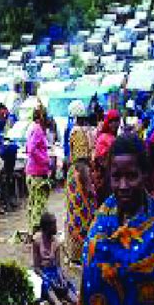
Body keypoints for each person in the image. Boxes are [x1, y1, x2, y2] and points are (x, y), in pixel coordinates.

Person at [73, 135, 154, 305]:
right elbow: (89, 286)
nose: (123, 185)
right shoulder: (100, 223)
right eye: (116, 177)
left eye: (131, 176)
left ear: (145, 174)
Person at [65, 100, 95, 264]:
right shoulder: (80, 132)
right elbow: (81, 160)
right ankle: (78, 254)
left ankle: (76, 253)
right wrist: (88, 183)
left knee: (77, 214)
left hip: (76, 175)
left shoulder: (76, 131)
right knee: (81, 214)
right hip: (79, 175)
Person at [33, 212, 78, 305]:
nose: (56, 227)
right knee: (47, 285)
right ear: (46, 227)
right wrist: (47, 278)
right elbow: (36, 267)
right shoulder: (37, 241)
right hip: (42, 272)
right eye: (53, 224)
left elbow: (58, 266)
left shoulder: (56, 242)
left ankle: (75, 301)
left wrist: (61, 278)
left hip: (53, 270)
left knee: (64, 285)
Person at [25, 107, 51, 235]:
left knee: (33, 202)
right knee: (39, 204)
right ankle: (36, 232)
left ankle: (32, 231)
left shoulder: (32, 128)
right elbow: (31, 149)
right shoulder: (38, 130)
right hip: (37, 172)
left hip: (32, 171)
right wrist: (45, 161)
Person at [92, 109, 120, 207]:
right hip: (104, 181)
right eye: (112, 121)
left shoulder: (115, 138)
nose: (115, 124)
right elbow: (100, 160)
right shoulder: (103, 138)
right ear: (108, 123)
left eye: (117, 121)